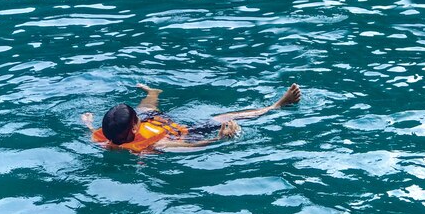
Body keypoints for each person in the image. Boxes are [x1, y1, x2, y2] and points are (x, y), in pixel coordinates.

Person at [81, 83, 301, 151]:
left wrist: (88, 124)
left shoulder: (102, 138)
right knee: (224, 116)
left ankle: (153, 93)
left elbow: (94, 133)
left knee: (147, 110)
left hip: (154, 122)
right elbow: (188, 146)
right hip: (181, 131)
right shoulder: (155, 144)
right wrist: (219, 139)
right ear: (135, 129)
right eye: (135, 120)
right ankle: (275, 106)